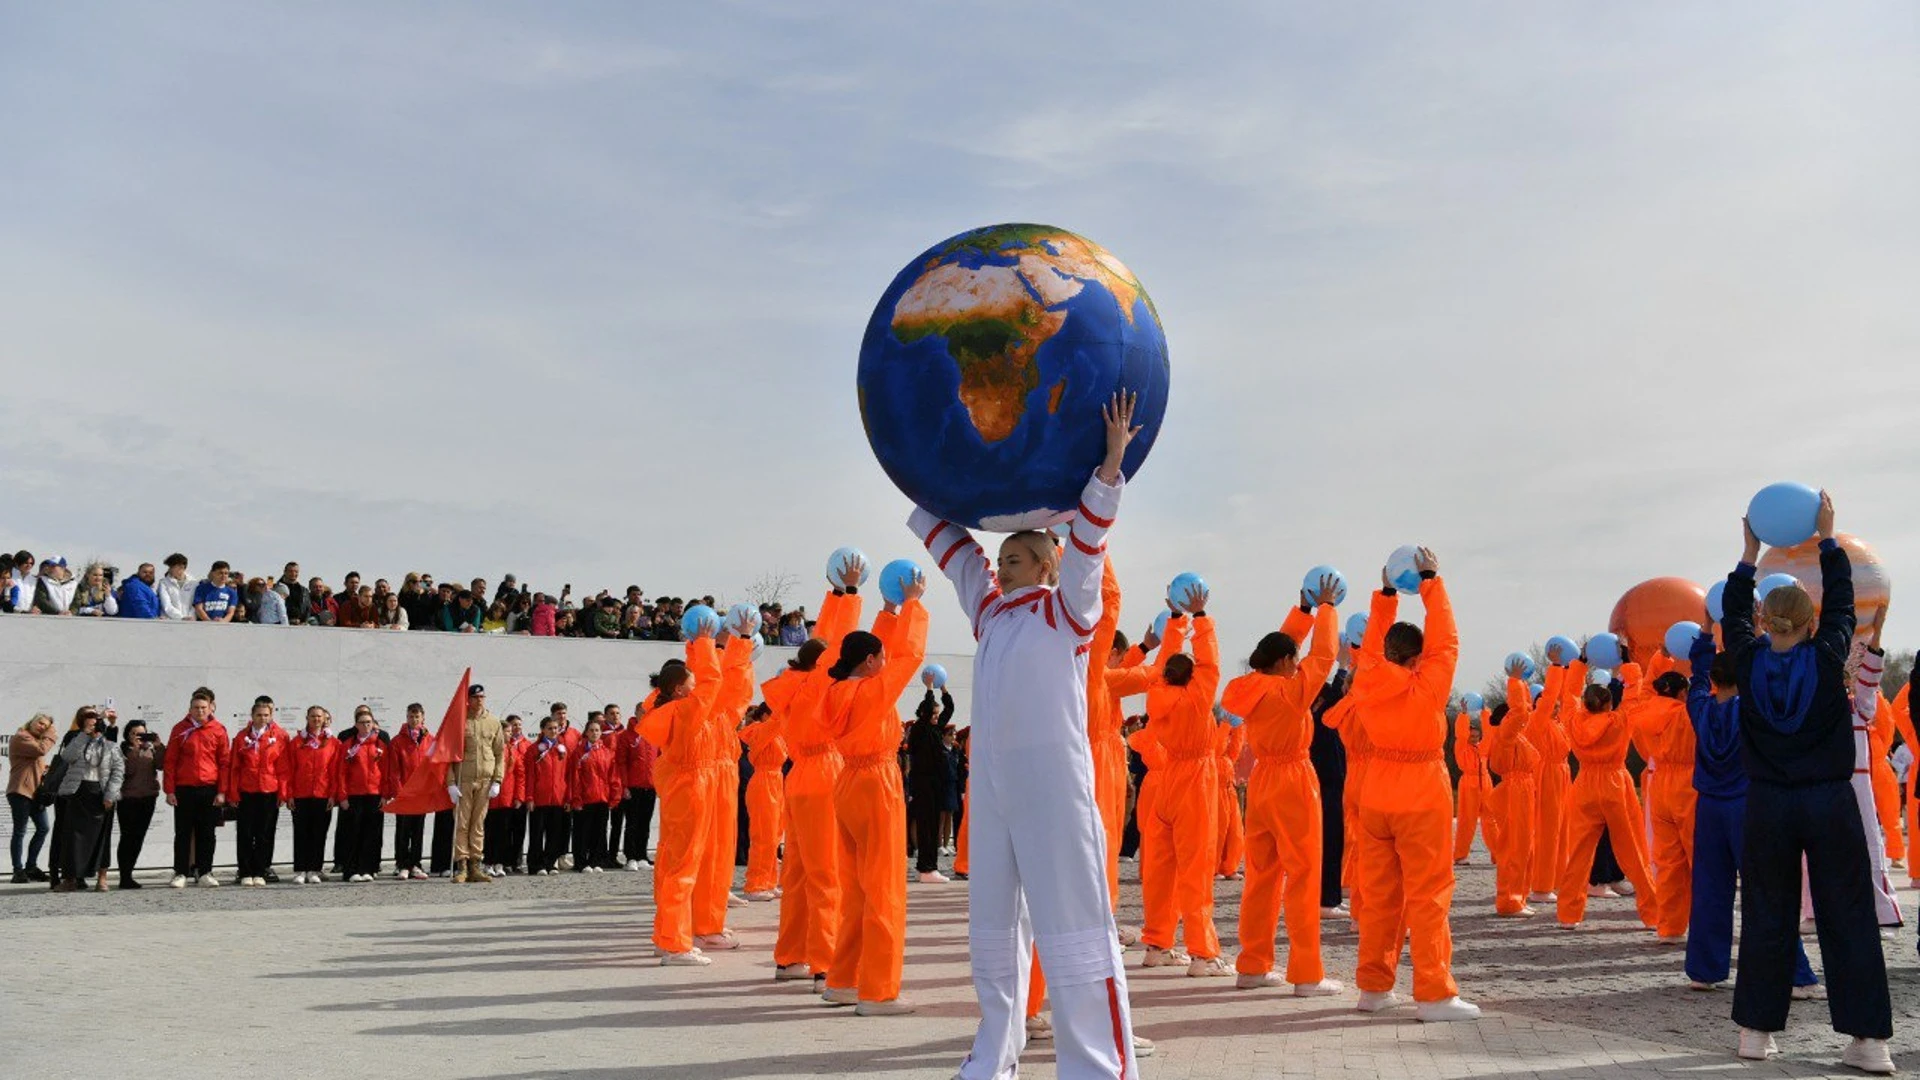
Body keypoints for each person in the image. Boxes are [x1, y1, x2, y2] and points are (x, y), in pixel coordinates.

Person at [912, 392, 1146, 1077]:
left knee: (1074, 930)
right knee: (991, 930)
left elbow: (1090, 548)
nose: (1002, 561)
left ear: (1046, 564)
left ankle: (1098, 1067)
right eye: (1002, 555)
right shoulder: (989, 612)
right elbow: (951, 549)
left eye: (1016, 554)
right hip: (996, 789)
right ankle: (991, 1059)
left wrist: (1107, 466)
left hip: (1054, 788)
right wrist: (927, 460)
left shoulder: (1066, 613)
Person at [1721, 495, 1893, 1071]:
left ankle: (1755, 1034)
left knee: (1769, 912)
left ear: (1767, 624)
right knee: (1847, 913)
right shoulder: (1827, 657)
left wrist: (1748, 556)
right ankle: (1870, 1043)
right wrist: (1827, 539)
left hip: (1768, 803)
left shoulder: (1745, 660)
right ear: (1814, 622)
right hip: (1828, 800)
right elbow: (1844, 601)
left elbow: (1734, 616)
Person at [1346, 549, 1478, 1021]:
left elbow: (1379, 646)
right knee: (1428, 894)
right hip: (1421, 787)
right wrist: (1430, 583)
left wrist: (1384, 594)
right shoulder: (1427, 684)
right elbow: (1448, 640)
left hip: (1377, 787)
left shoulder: (1366, 677)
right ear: (1417, 656)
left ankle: (1374, 989)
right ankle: (1434, 994)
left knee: (1379, 895)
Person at [1684, 622, 1823, 997]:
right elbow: (1770, 673)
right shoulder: (1752, 709)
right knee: (1766, 890)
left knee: (1710, 889)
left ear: (1715, 679)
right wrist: (1762, 633)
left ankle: (1704, 970)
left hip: (1708, 808)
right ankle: (1797, 975)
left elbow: (1696, 677)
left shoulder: (1700, 707)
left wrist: (1703, 636)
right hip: (1746, 805)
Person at [1225, 575, 1343, 995]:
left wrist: (1304, 612)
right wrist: (1327, 608)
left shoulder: (1245, 688)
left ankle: (1253, 965)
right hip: (1294, 779)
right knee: (1304, 874)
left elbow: (1281, 648)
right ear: (1284, 663)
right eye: (1293, 659)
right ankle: (1307, 974)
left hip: (1262, 782)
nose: (1298, 664)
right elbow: (1325, 654)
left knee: (1261, 875)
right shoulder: (1292, 692)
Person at [819, 581, 928, 1015]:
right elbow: (910, 656)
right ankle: (878, 990)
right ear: (869, 661)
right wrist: (913, 604)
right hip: (876, 783)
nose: (887, 662)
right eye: (879, 656)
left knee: (855, 889)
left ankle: (843, 980)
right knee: (883, 887)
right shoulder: (872, 691)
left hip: (847, 782)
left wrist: (887, 611)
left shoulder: (835, 689)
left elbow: (888, 655)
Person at [767, 580, 867, 984]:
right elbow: (835, 637)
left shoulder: (790, 686)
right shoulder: (820, 684)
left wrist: (838, 596)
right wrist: (849, 594)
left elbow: (823, 640)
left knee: (797, 872)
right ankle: (826, 963)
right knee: (828, 873)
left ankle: (790, 956)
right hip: (825, 771)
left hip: (799, 776)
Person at [1553, 660, 1659, 929]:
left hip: (1585, 783)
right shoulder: (1619, 720)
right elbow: (1635, 695)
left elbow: (1569, 697)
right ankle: (1653, 913)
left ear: (1586, 705)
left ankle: (1568, 914)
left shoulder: (1574, 720)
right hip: (1615, 782)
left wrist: (1578, 666)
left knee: (1578, 852)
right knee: (1633, 849)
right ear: (1610, 704)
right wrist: (1628, 665)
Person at [640, 629, 725, 964]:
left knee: (675, 862)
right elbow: (713, 680)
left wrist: (695, 647)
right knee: (683, 866)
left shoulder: (668, 709)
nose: (696, 685)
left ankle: (668, 936)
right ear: (679, 689)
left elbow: (706, 685)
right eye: (690, 681)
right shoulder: (685, 711)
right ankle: (675, 943)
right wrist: (704, 644)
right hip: (691, 787)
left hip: (684, 786)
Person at [1624, 647, 1699, 941]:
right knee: (1699, 857)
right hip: (1690, 784)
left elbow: (1642, 692)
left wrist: (1659, 658)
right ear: (1682, 693)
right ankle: (1704, 922)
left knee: (1667, 862)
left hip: (1659, 786)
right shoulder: (1687, 714)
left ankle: (1669, 926)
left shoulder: (1643, 712)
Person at [1488, 666, 1548, 916]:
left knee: (1524, 847)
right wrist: (1515, 682)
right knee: (1514, 847)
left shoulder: (1516, 737)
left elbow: (1526, 712)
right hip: (1514, 791)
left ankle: (1518, 897)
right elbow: (1521, 712)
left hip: (1522, 789)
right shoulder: (1507, 734)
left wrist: (1522, 685)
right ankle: (1509, 900)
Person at [52, 710, 123, 892]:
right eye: (92, 724)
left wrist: (110, 795)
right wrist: (84, 734)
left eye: (98, 725)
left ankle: (102, 878)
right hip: (78, 792)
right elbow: (67, 756)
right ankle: (70, 880)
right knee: (72, 838)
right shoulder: (79, 741)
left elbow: (117, 772)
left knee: (102, 838)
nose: (95, 728)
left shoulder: (111, 746)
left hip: (101, 794)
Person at [165, 687, 229, 887]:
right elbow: (170, 761)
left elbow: (225, 762)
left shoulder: (218, 730)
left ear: (210, 708)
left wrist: (222, 791)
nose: (200, 711)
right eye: (196, 707)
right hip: (184, 788)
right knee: (183, 833)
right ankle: (180, 873)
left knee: (207, 833)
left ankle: (205, 872)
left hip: (209, 788)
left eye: (203, 707)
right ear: (190, 709)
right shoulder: (179, 729)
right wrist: (170, 790)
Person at [224, 696, 290, 887]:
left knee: (265, 833)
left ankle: (260, 870)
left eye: (266, 715)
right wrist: (233, 793)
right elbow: (234, 767)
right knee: (245, 832)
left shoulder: (279, 736)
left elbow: (283, 768)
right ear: (252, 716)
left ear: (271, 716)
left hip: (269, 790)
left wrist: (282, 793)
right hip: (247, 790)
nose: (262, 718)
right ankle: (245, 871)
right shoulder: (241, 737)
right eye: (259, 715)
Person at [449, 685, 507, 884]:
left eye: (482, 696)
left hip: (485, 781)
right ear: (468, 699)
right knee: (462, 824)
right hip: (463, 780)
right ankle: (462, 866)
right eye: (475, 697)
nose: (479, 700)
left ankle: (475, 865)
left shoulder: (493, 722)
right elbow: (447, 754)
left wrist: (497, 780)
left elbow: (500, 753)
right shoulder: (459, 722)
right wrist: (450, 783)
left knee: (478, 825)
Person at [905, 684, 956, 884]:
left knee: (933, 825)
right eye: (933, 714)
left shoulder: (934, 729)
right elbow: (927, 710)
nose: (937, 717)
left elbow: (949, 709)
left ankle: (930, 868)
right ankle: (925, 868)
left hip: (936, 784)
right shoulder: (919, 729)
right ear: (925, 714)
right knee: (925, 825)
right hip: (922, 783)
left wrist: (943, 689)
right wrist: (928, 690)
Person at [739, 703, 788, 900]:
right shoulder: (758, 729)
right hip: (763, 780)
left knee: (774, 834)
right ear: (767, 714)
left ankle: (769, 880)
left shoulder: (775, 732)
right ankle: (755, 884)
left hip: (776, 779)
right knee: (763, 834)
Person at [334, 706, 389, 882]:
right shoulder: (349, 744)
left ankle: (369, 869)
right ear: (356, 725)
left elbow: (386, 771)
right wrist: (342, 797)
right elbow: (341, 772)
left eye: (369, 722)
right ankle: (351, 870)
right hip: (354, 795)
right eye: (362, 723)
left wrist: (385, 795)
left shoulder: (380, 744)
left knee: (371, 834)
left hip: (374, 795)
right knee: (353, 833)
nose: (366, 726)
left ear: (373, 724)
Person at [286, 708, 338, 884]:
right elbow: (289, 769)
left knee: (319, 833)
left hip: (322, 794)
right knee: (301, 833)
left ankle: (314, 869)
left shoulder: (333, 743)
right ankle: (301, 869)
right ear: (307, 718)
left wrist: (333, 795)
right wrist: (289, 794)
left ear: (324, 719)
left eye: (319, 716)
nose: (316, 719)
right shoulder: (297, 742)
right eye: (313, 716)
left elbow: (335, 771)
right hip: (301, 794)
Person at [9, 714, 58, 883]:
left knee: (43, 828)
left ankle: (31, 866)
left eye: (46, 726)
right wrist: (51, 733)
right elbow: (41, 750)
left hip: (35, 793)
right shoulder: (21, 737)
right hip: (20, 791)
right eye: (40, 723)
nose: (42, 727)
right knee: (20, 831)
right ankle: (18, 870)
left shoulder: (35, 741)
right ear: (32, 722)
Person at [115, 720, 164, 888]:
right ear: (128, 735)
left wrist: (158, 747)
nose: (139, 737)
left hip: (148, 797)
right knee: (127, 837)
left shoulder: (150, 749)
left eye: (142, 734)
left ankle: (129, 873)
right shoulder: (123, 751)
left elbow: (162, 765)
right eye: (135, 734)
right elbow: (127, 771)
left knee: (139, 837)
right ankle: (124, 875)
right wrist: (135, 751)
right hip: (128, 799)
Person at [568, 717, 618, 872]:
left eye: (597, 730)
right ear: (586, 733)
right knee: (582, 832)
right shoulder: (578, 752)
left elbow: (613, 776)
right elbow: (574, 777)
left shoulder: (607, 753)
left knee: (599, 832)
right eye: (591, 730)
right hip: (585, 799)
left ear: (601, 732)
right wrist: (576, 798)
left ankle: (596, 861)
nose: (594, 733)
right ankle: (581, 862)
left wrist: (614, 796)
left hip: (602, 798)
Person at [388, 705, 432, 880]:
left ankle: (415, 863)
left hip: (421, 794)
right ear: (406, 718)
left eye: (417, 717)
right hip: (405, 793)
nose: (414, 720)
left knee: (418, 830)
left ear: (423, 718)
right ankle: (402, 864)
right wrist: (399, 793)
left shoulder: (429, 740)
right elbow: (394, 771)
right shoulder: (398, 741)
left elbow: (433, 767)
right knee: (403, 830)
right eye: (411, 717)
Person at [484, 715, 528, 878]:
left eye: (510, 731)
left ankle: (500, 863)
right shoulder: (489, 750)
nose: (509, 734)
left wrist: (519, 797)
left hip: (508, 798)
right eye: (506, 731)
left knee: (504, 833)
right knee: (489, 832)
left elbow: (520, 775)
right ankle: (488, 862)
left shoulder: (513, 751)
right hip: (490, 797)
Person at [615, 704, 659, 870]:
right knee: (632, 822)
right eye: (642, 712)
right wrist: (624, 785)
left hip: (650, 785)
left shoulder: (654, 735)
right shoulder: (626, 736)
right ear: (636, 713)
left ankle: (642, 855)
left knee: (645, 822)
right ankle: (631, 856)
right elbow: (621, 762)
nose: (645, 715)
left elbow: (659, 760)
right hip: (633, 786)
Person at [1452, 704, 1496, 865]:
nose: (1475, 739)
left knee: (1491, 820)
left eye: (1477, 736)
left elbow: (1490, 734)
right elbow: (1461, 735)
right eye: (1472, 736)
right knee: (1466, 821)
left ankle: (1498, 854)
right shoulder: (1461, 747)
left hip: (1486, 783)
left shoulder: (1482, 748)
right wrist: (1464, 715)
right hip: (1468, 784)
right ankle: (1461, 855)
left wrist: (1485, 713)